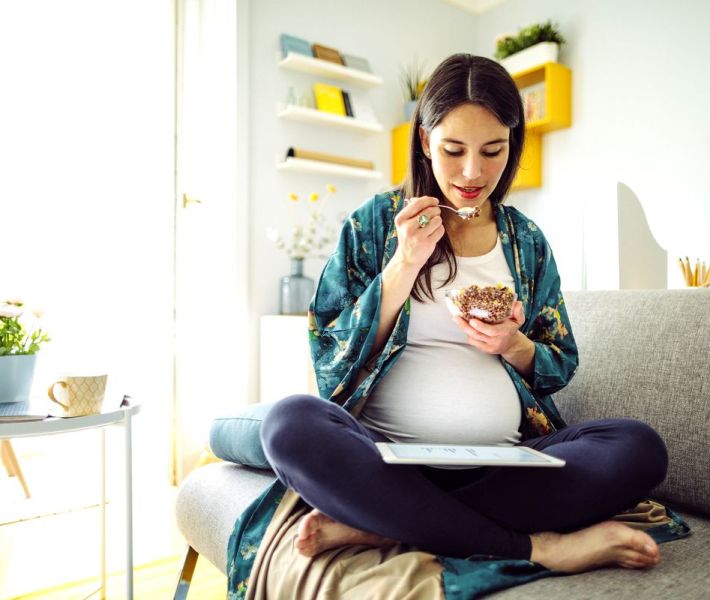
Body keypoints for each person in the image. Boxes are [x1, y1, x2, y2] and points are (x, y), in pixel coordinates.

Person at [260, 53, 669, 574]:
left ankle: (384, 523)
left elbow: (560, 363)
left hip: (505, 465)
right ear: (426, 142)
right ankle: (536, 547)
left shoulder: (526, 243)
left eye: (493, 151)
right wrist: (402, 267)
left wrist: (514, 344)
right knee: (289, 425)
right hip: (386, 461)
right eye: (453, 150)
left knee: (638, 447)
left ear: (512, 145)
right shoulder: (373, 226)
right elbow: (329, 368)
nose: (473, 172)